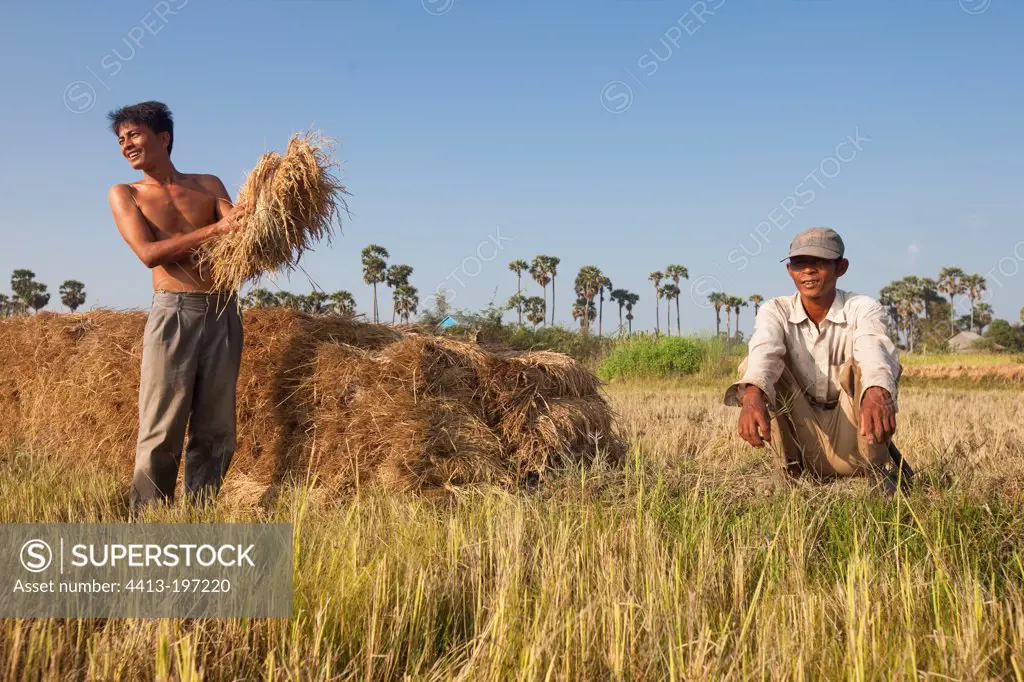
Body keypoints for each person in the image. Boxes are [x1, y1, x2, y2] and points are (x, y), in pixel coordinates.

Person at [106, 101, 244, 515]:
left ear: (163, 137)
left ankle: (199, 516)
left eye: (133, 135)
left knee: (217, 428)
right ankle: (147, 521)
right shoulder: (125, 193)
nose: (125, 144)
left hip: (224, 312)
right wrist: (217, 229)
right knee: (162, 426)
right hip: (174, 313)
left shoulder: (208, 184)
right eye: (120, 139)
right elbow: (149, 254)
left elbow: (241, 232)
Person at [724, 227, 913, 493]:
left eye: (820, 262)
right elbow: (764, 349)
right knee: (756, 372)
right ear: (790, 270)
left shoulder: (861, 307)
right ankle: (788, 471)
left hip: (852, 437)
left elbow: (873, 347)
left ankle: (876, 475)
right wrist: (752, 394)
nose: (809, 271)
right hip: (803, 436)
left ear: (841, 267)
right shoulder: (776, 310)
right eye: (800, 263)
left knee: (873, 371)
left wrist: (877, 391)